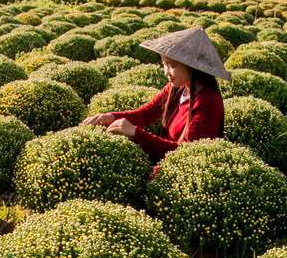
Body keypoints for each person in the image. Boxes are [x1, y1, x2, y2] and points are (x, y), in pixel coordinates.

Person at [81, 26, 230, 163]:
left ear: (192, 67)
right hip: (162, 162)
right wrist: (113, 116)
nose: (166, 72)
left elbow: (186, 152)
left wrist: (136, 133)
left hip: (176, 171)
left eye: (172, 66)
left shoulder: (208, 102)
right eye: (164, 64)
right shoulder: (176, 88)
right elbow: (147, 113)